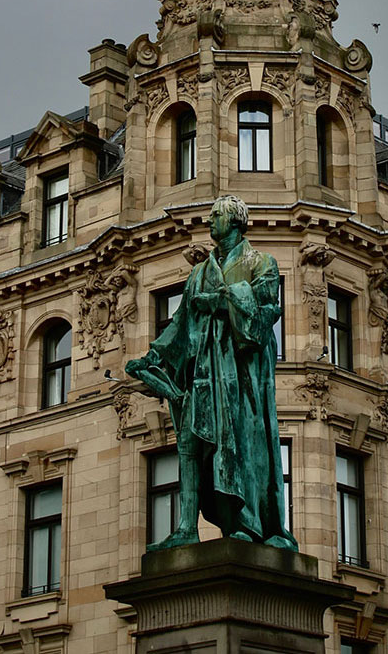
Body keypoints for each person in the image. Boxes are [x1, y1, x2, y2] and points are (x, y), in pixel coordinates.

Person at [125, 195, 297, 551]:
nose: (210, 220)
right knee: (192, 444)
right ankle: (187, 527)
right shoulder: (200, 271)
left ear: (235, 221)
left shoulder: (261, 262)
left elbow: (264, 312)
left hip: (241, 375)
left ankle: (247, 522)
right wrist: (152, 357)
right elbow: (180, 322)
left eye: (216, 215)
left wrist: (222, 299)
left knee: (242, 444)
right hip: (204, 372)